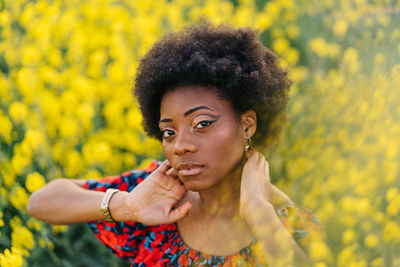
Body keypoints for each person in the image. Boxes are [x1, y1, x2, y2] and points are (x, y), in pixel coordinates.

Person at [28, 21, 324, 266]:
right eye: (168, 132)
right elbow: (41, 202)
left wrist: (258, 212)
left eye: (202, 125)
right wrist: (127, 206)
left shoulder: (291, 225)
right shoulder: (159, 196)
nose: (180, 146)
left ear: (247, 125)